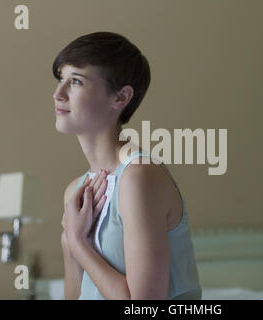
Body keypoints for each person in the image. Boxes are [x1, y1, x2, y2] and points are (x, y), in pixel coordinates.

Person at [52, 31, 202, 300]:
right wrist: (70, 245)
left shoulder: (139, 177)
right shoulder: (75, 191)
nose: (58, 93)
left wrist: (77, 242)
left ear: (120, 98)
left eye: (75, 81)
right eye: (61, 78)